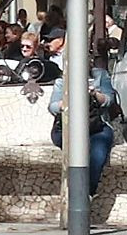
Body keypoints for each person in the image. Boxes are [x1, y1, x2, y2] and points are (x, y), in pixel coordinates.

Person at [51, 60, 119, 189]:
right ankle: (74, 190)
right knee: (75, 149)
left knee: (98, 152)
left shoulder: (100, 76)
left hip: (97, 126)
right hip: (68, 128)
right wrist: (68, 98)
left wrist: (94, 94)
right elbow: (53, 107)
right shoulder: (62, 81)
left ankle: (87, 191)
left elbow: (109, 100)